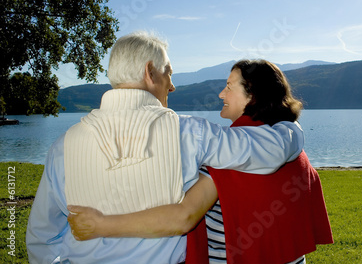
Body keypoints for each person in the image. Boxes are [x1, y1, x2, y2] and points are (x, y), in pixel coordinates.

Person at [26, 33, 304, 264]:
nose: (171, 86)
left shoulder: (62, 146)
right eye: (168, 73)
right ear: (150, 72)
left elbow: (42, 238)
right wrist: (291, 127)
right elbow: (273, 150)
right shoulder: (191, 133)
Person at [67, 59, 333, 264]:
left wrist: (101, 225)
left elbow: (183, 217)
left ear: (253, 95)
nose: (221, 94)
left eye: (229, 86)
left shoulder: (230, 156)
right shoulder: (296, 151)